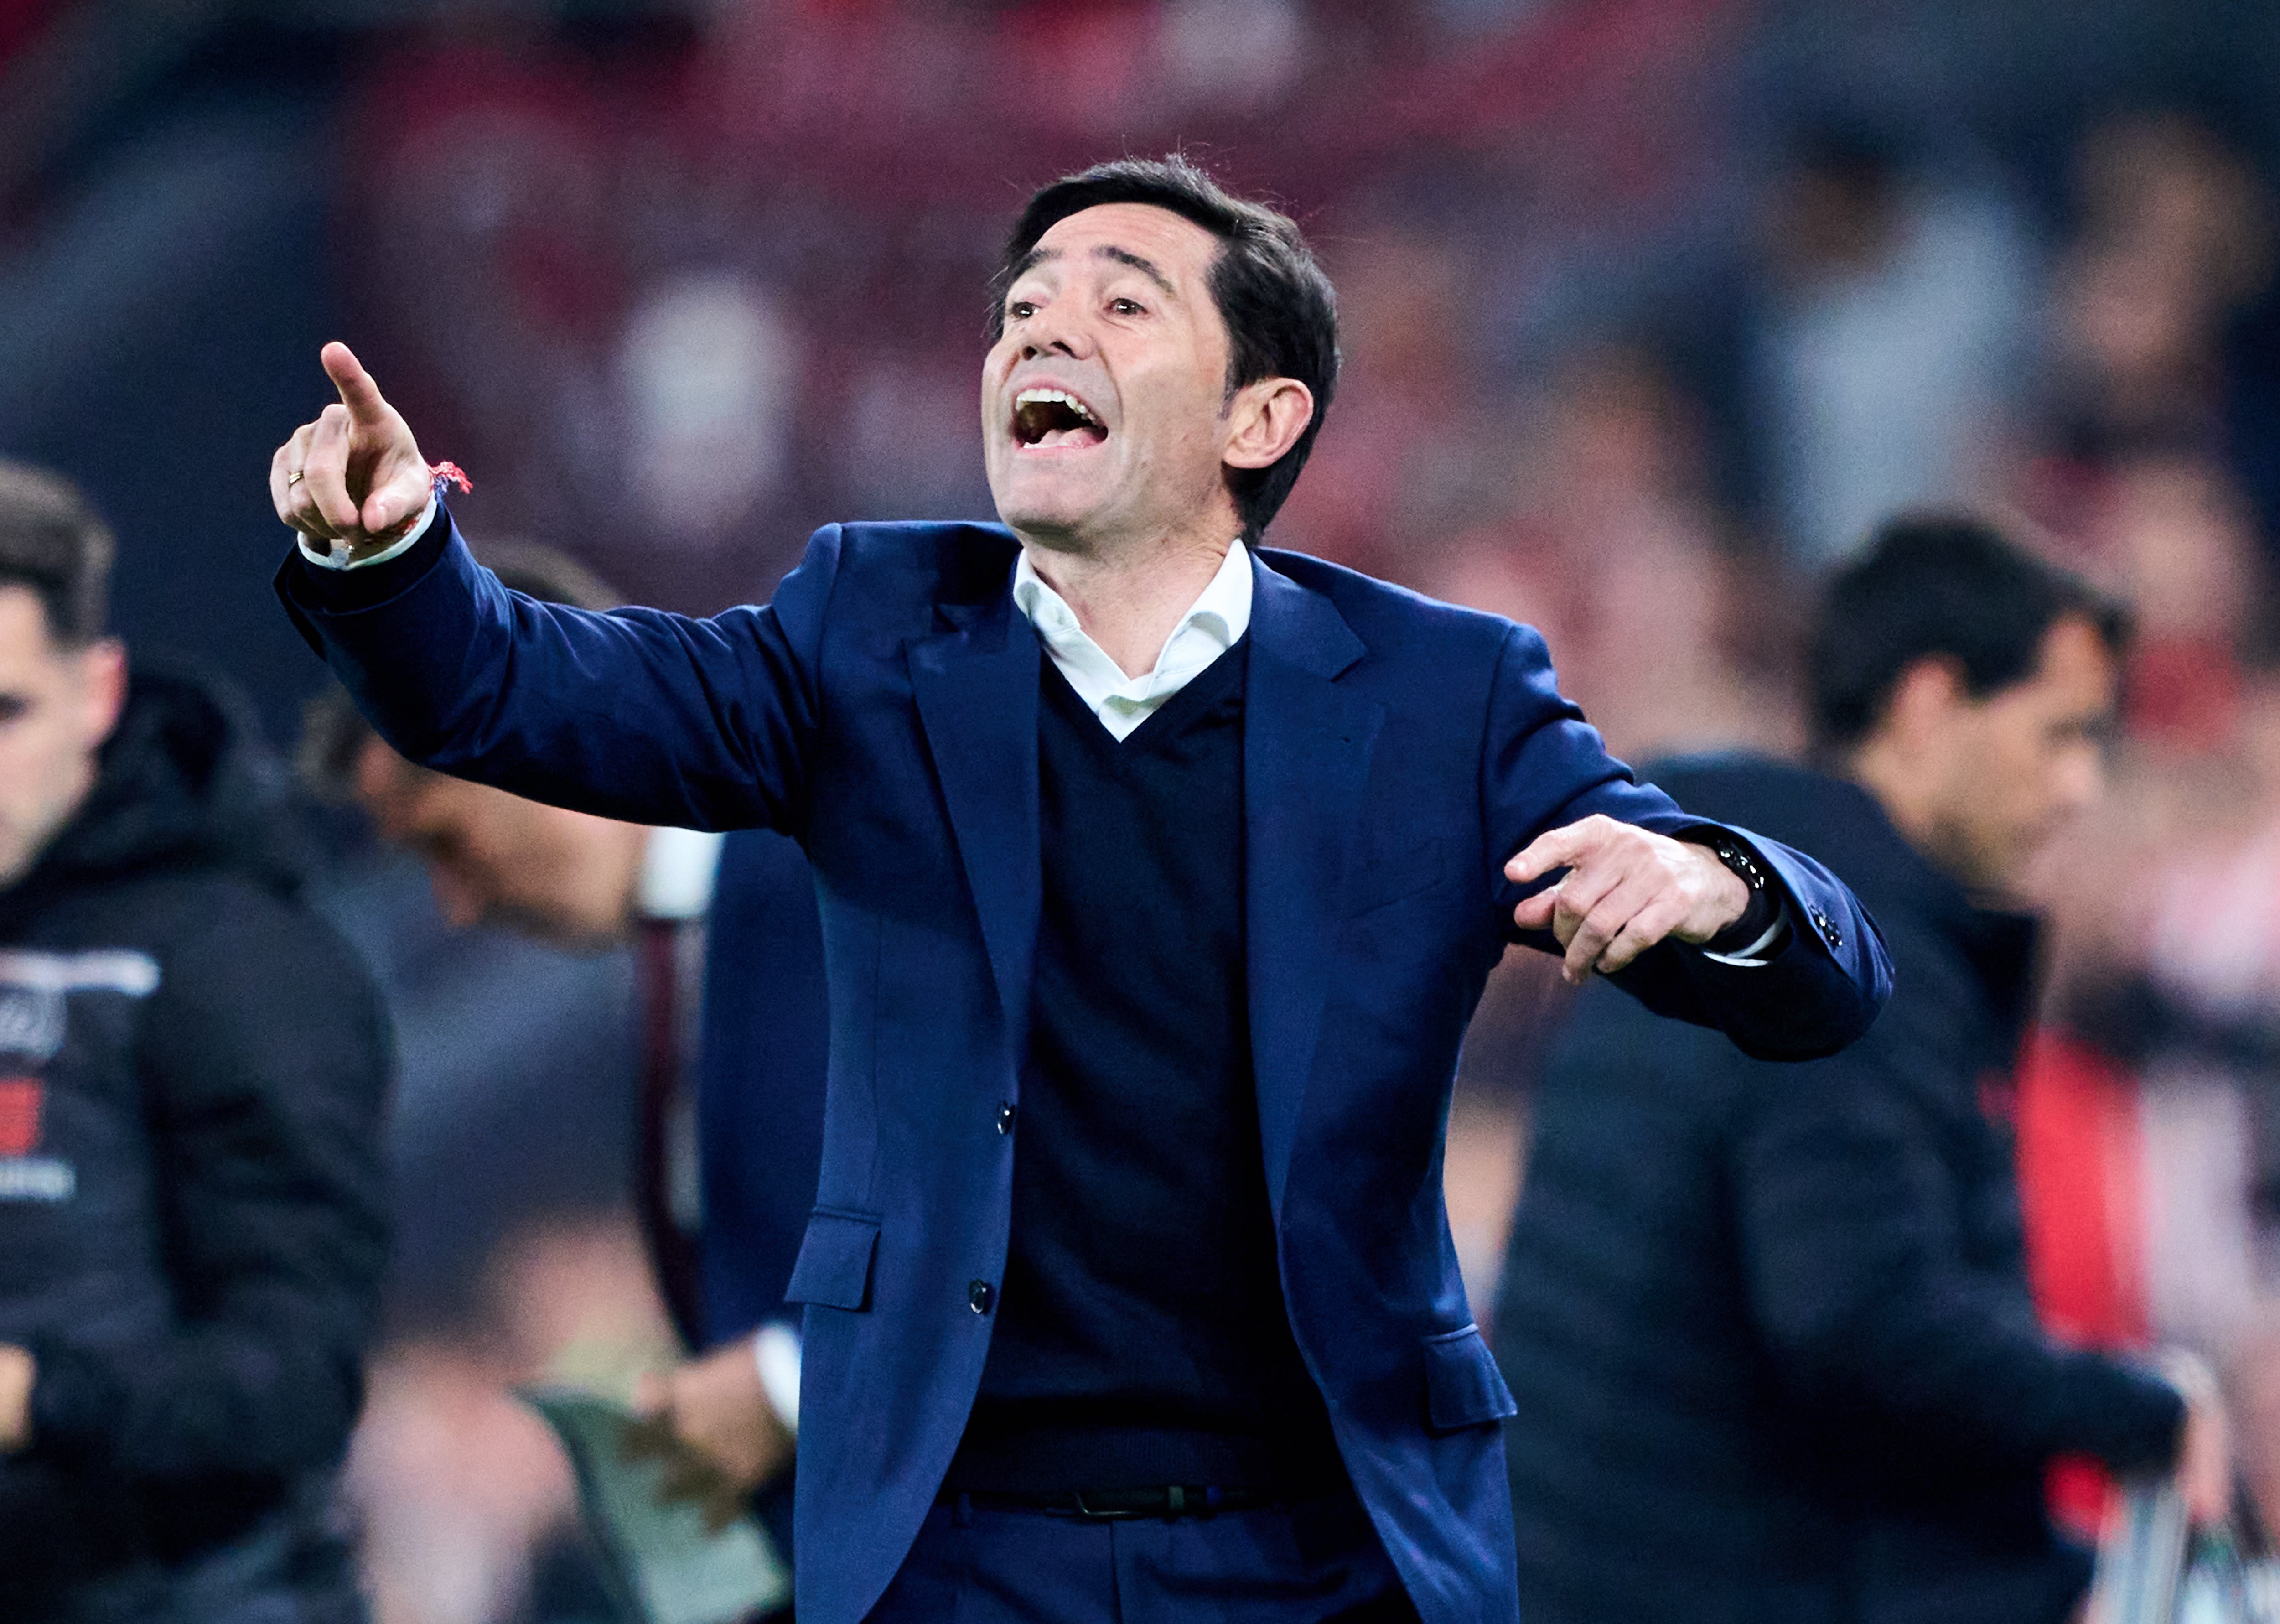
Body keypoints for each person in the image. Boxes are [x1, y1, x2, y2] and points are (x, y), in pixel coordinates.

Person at [266, 156, 1892, 1624]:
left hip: (1323, 1552)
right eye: (1021, 309)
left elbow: (1824, 977)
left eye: (1120, 302)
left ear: (1258, 420)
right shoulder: (864, 633)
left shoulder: (1444, 692)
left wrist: (1709, 883)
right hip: (966, 1554)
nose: (1043, 332)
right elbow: (517, 690)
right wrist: (390, 556)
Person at [1491, 514, 2232, 1624]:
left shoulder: (1708, 859)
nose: (2081, 789)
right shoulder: (1845, 951)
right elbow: (1853, 1311)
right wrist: (2143, 1405)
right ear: (1930, 705)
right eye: (2059, 734)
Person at [300, 539, 828, 1563]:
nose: (454, 905)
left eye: (445, 840)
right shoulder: (697, 946)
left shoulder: (819, 880)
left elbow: (1040, 1195)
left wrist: (784, 1386)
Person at [0, 460, 390, 1621]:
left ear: (98, 692)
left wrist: (36, 1398)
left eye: (4, 711)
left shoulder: (237, 959)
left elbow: (296, 1378)